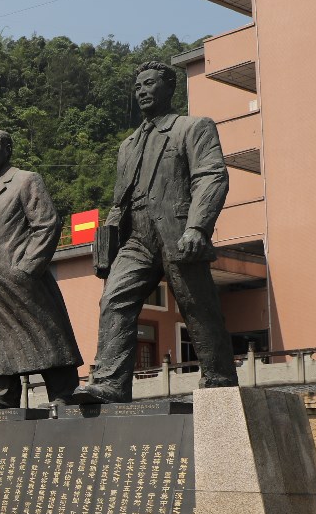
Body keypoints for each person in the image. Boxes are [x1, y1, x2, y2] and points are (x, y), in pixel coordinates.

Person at [74, 61, 238, 403]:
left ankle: (219, 380)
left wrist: (198, 226)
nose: (142, 92)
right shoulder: (128, 145)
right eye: (138, 87)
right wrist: (106, 245)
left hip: (178, 231)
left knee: (197, 307)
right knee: (114, 299)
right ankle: (110, 383)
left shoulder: (193, 128)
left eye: (149, 84)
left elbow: (210, 177)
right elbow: (120, 200)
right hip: (136, 238)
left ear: (169, 88)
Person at [0, 129, 84, 408]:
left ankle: (63, 392)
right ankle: (2, 394)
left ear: (6, 149)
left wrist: (26, 269)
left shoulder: (25, 180)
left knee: (44, 334)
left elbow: (47, 225)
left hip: (21, 278)